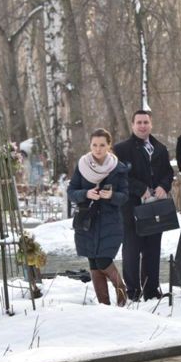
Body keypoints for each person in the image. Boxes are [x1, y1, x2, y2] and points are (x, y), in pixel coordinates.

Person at [114, 110, 174, 301]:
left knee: (153, 249)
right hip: (131, 206)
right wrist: (140, 189)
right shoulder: (121, 149)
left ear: (151, 124)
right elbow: (120, 175)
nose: (142, 126)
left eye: (145, 122)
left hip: (154, 206)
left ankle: (151, 290)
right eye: (139, 122)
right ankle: (133, 291)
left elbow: (168, 173)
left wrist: (164, 186)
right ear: (133, 125)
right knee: (132, 249)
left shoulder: (160, 148)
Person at [68, 129, 129, 306]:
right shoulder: (82, 165)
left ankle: (121, 292)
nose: (98, 149)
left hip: (110, 222)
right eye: (94, 145)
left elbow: (125, 196)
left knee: (103, 260)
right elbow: (71, 191)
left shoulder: (118, 168)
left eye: (102, 145)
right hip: (87, 222)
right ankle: (104, 306)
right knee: (93, 262)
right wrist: (86, 193)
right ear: (90, 145)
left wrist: (111, 196)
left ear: (109, 145)